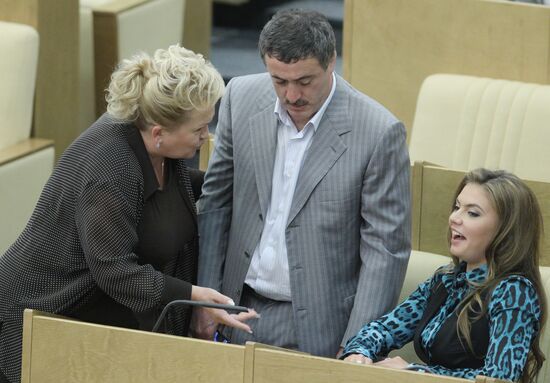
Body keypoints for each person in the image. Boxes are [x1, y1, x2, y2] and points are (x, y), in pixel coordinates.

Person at [0, 45, 256, 383]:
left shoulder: (159, 142)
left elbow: (170, 194)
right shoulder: (111, 167)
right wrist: (193, 295)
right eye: (198, 130)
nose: (205, 138)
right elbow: (114, 270)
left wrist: (242, 188)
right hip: (42, 317)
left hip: (92, 323)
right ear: (158, 133)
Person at [194, 9, 411, 357]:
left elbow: (384, 250)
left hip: (320, 326)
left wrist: (358, 343)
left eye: (305, 81)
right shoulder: (240, 97)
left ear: (331, 63)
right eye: (279, 81)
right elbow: (217, 203)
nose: (292, 95)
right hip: (235, 307)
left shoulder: (378, 132)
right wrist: (206, 298)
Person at [342, 169, 547, 383]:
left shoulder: (514, 291)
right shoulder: (446, 279)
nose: (454, 218)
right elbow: (384, 329)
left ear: (506, 230)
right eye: (457, 207)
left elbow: (499, 378)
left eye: (473, 213)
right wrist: (360, 353)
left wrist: (415, 372)